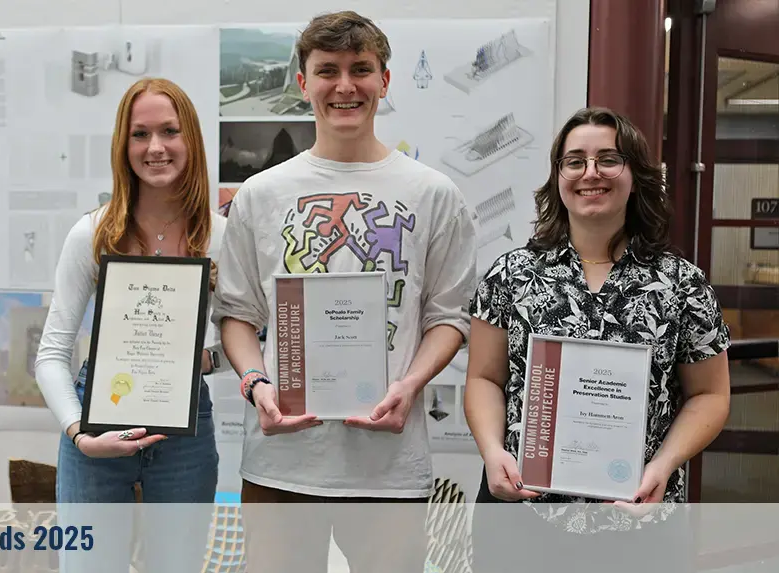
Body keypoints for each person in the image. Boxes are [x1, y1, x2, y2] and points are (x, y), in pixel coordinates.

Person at [210, 10, 477, 573]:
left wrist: (410, 384)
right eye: (327, 71)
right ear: (303, 83)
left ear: (384, 80)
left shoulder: (434, 194)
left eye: (361, 69)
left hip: (389, 466)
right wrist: (257, 382)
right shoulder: (261, 194)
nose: (345, 86)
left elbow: (450, 316)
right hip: (282, 460)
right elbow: (235, 313)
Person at [464, 106, 731, 572]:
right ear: (558, 176)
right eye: (575, 161)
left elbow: (709, 394)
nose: (591, 173)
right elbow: (485, 379)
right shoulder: (511, 275)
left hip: (639, 520)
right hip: (522, 513)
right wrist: (492, 451)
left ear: (635, 174)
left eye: (609, 159)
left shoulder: (682, 284)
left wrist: (663, 466)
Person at [34, 77, 227, 572]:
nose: (156, 147)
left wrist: (205, 359)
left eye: (169, 131)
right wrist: (80, 433)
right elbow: (52, 353)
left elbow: (255, 340)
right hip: (97, 423)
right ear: (123, 145)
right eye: (140, 134)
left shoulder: (222, 236)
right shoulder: (93, 233)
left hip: (186, 426)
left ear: (192, 141)